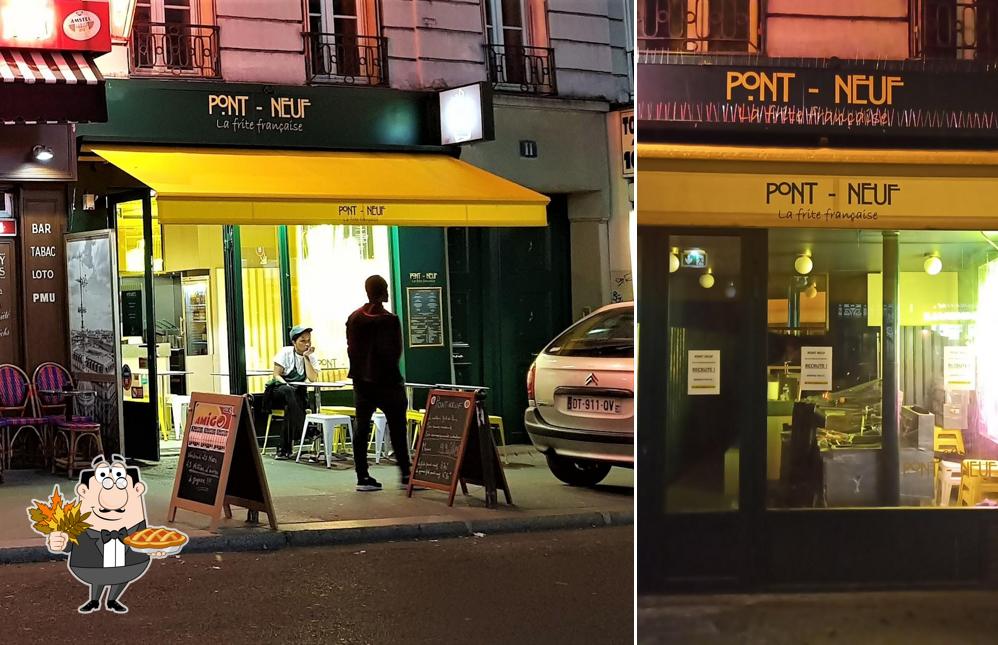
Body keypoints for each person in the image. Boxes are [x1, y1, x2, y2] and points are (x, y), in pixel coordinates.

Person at [45, 454, 173, 613]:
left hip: (130, 565)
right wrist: (61, 541)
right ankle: (94, 599)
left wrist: (154, 549)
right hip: (89, 566)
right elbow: (71, 542)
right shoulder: (82, 525)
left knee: (120, 576)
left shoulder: (136, 527)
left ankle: (113, 599)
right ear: (83, 491)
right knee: (99, 577)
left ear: (137, 489)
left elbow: (145, 542)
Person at [346, 275, 411, 491]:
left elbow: (351, 348)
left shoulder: (354, 318)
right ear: (383, 291)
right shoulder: (389, 320)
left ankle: (362, 476)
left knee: (361, 427)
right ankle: (405, 474)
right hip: (388, 382)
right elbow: (393, 352)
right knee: (398, 427)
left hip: (362, 382)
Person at [266, 325, 319, 459]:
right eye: (302, 341)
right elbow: (276, 375)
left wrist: (307, 358)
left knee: (290, 407)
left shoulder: (311, 356)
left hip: (295, 396)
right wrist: (287, 385)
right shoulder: (285, 352)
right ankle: (308, 430)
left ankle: (284, 450)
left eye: (309, 340)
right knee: (289, 392)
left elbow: (312, 378)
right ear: (294, 342)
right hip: (279, 391)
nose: (307, 344)